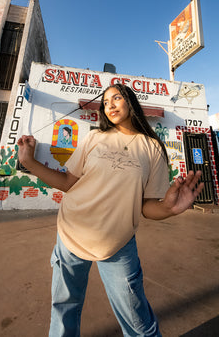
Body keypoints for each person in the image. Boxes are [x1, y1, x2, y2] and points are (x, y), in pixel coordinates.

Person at [18, 84, 204, 337]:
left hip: (117, 243)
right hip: (71, 234)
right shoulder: (94, 138)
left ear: (131, 102)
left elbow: (146, 208)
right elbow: (66, 183)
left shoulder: (152, 148)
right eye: (106, 102)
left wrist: (168, 208)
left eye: (117, 98)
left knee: (138, 323)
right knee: (64, 311)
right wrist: (28, 161)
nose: (111, 105)